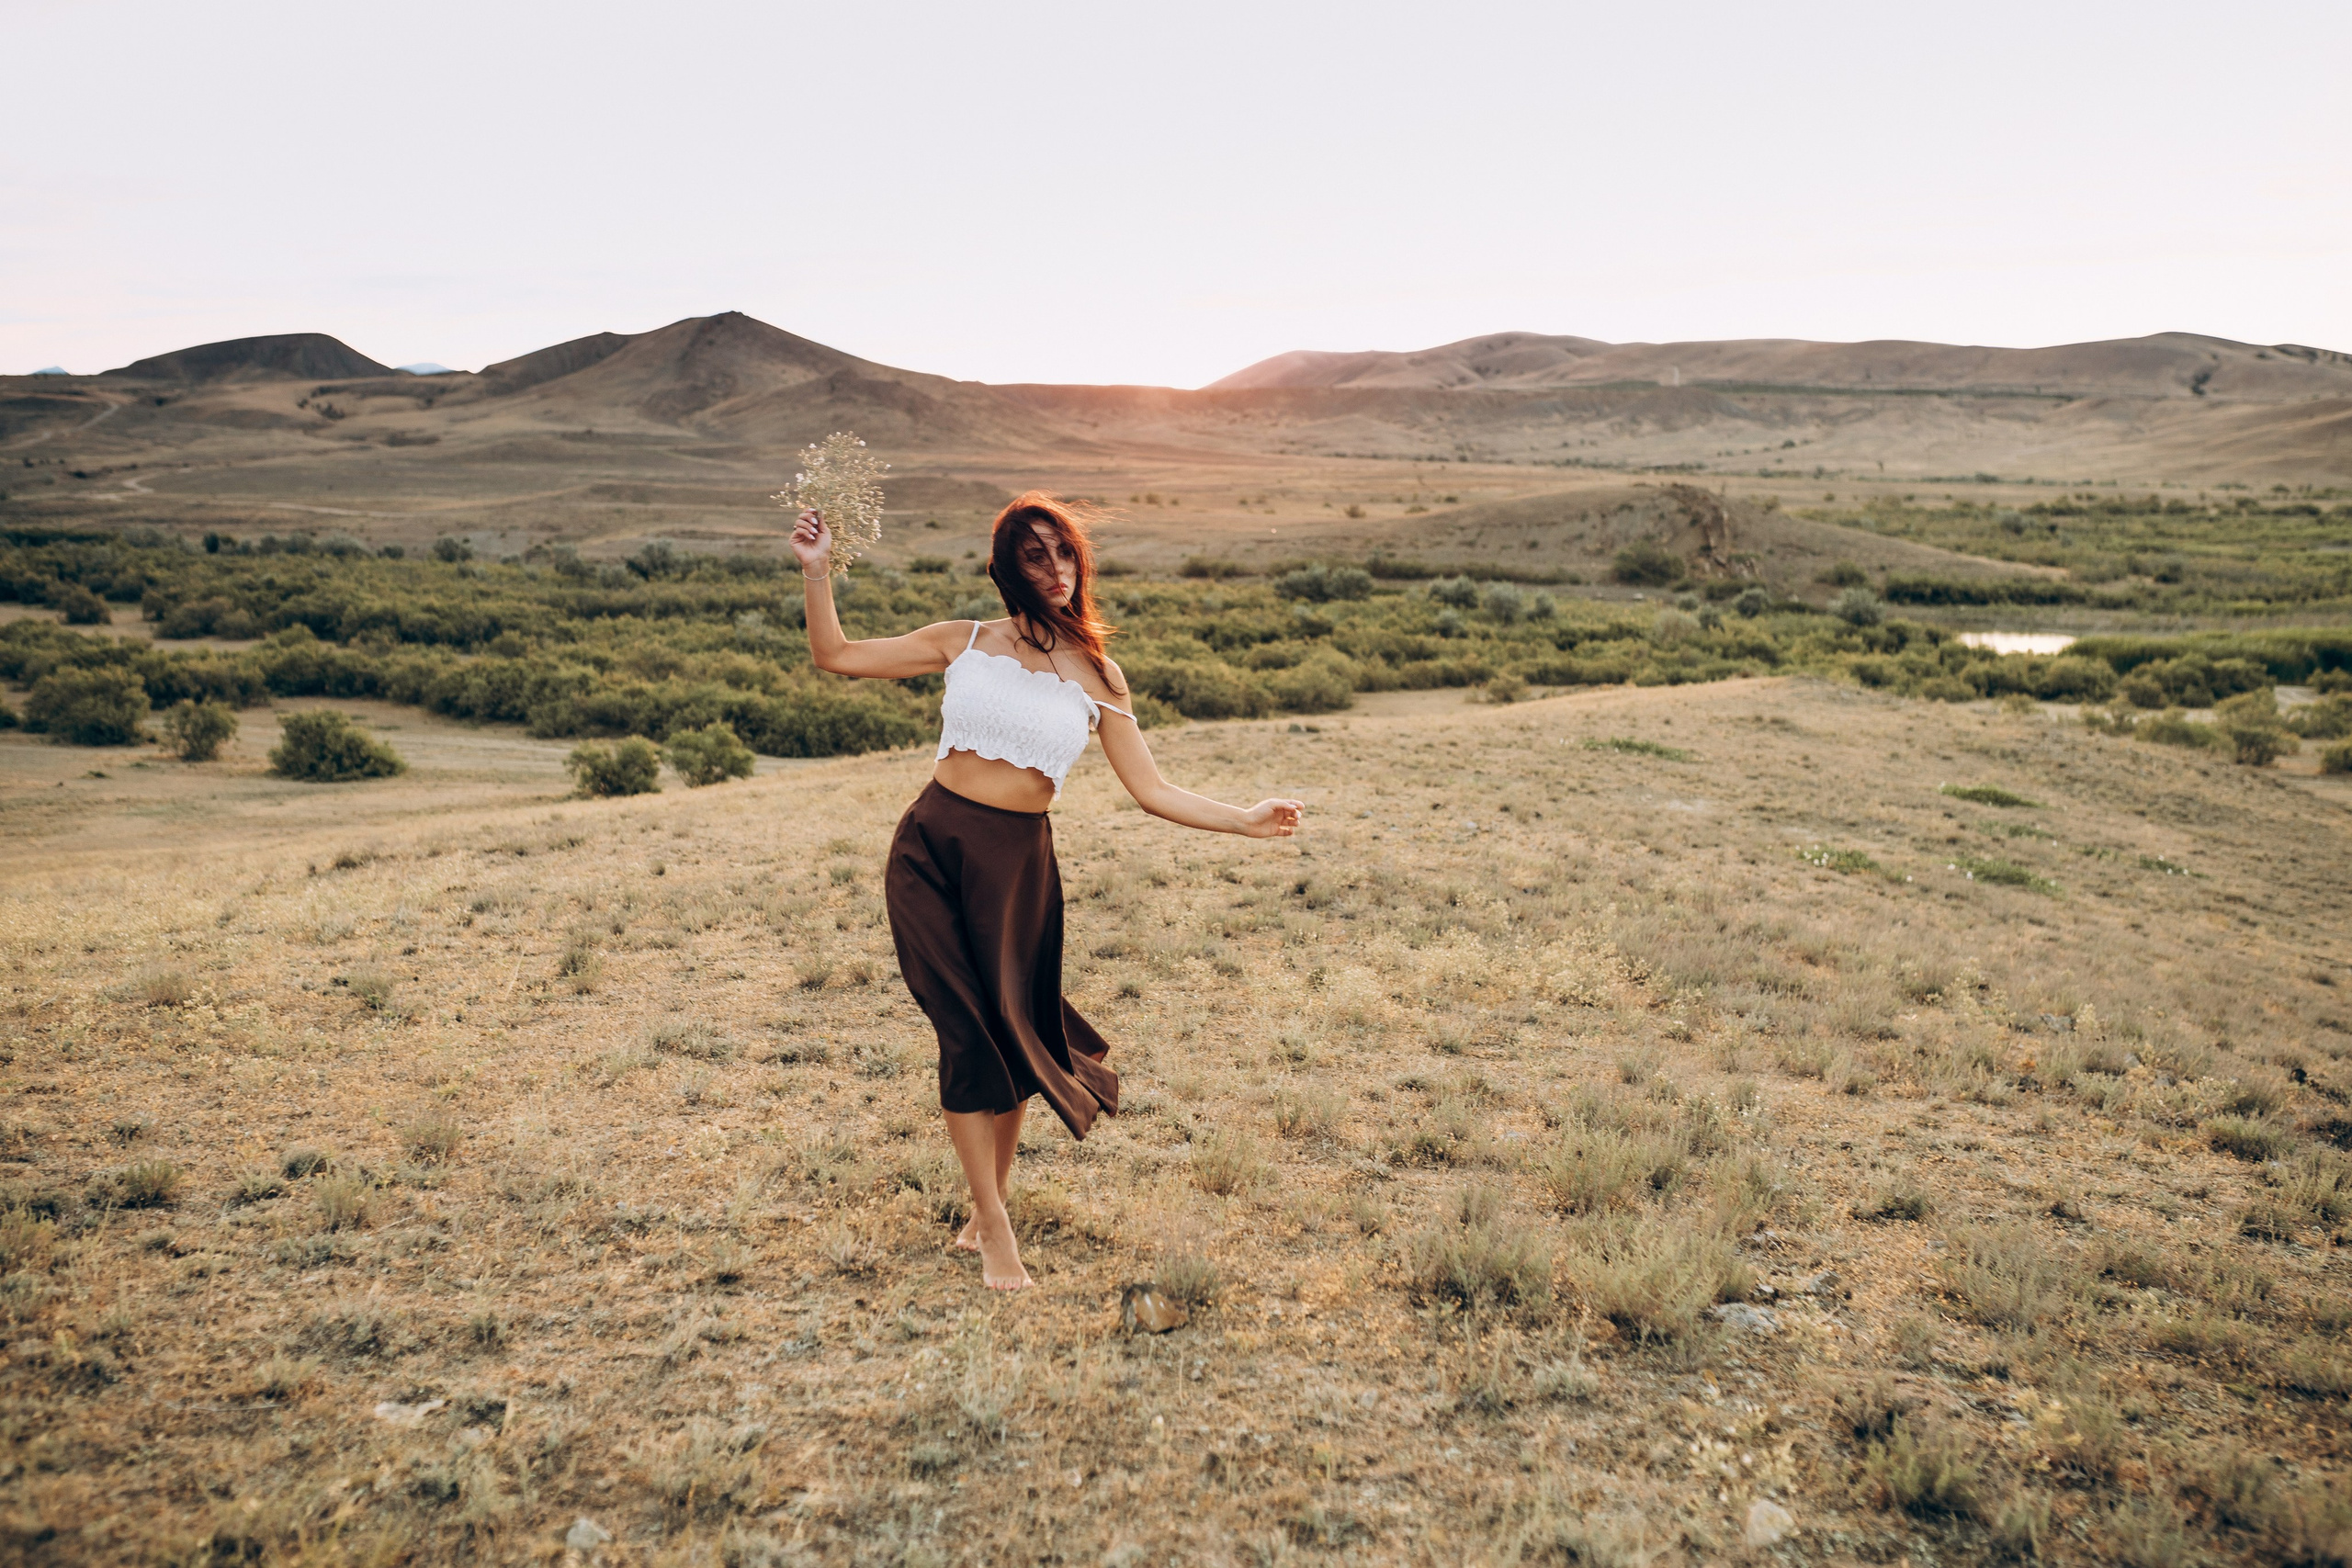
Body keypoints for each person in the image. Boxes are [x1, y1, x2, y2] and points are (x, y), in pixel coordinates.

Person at [790, 492, 1304, 1290]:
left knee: (1015, 1029)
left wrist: (1243, 819)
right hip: (931, 849)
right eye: (1037, 555)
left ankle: (989, 1199)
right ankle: (994, 1225)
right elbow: (838, 655)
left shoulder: (1098, 674)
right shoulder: (963, 642)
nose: (1057, 570)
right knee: (964, 1032)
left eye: (1065, 553)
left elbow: (1153, 789)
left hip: (1019, 865)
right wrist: (818, 575)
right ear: (1006, 567)